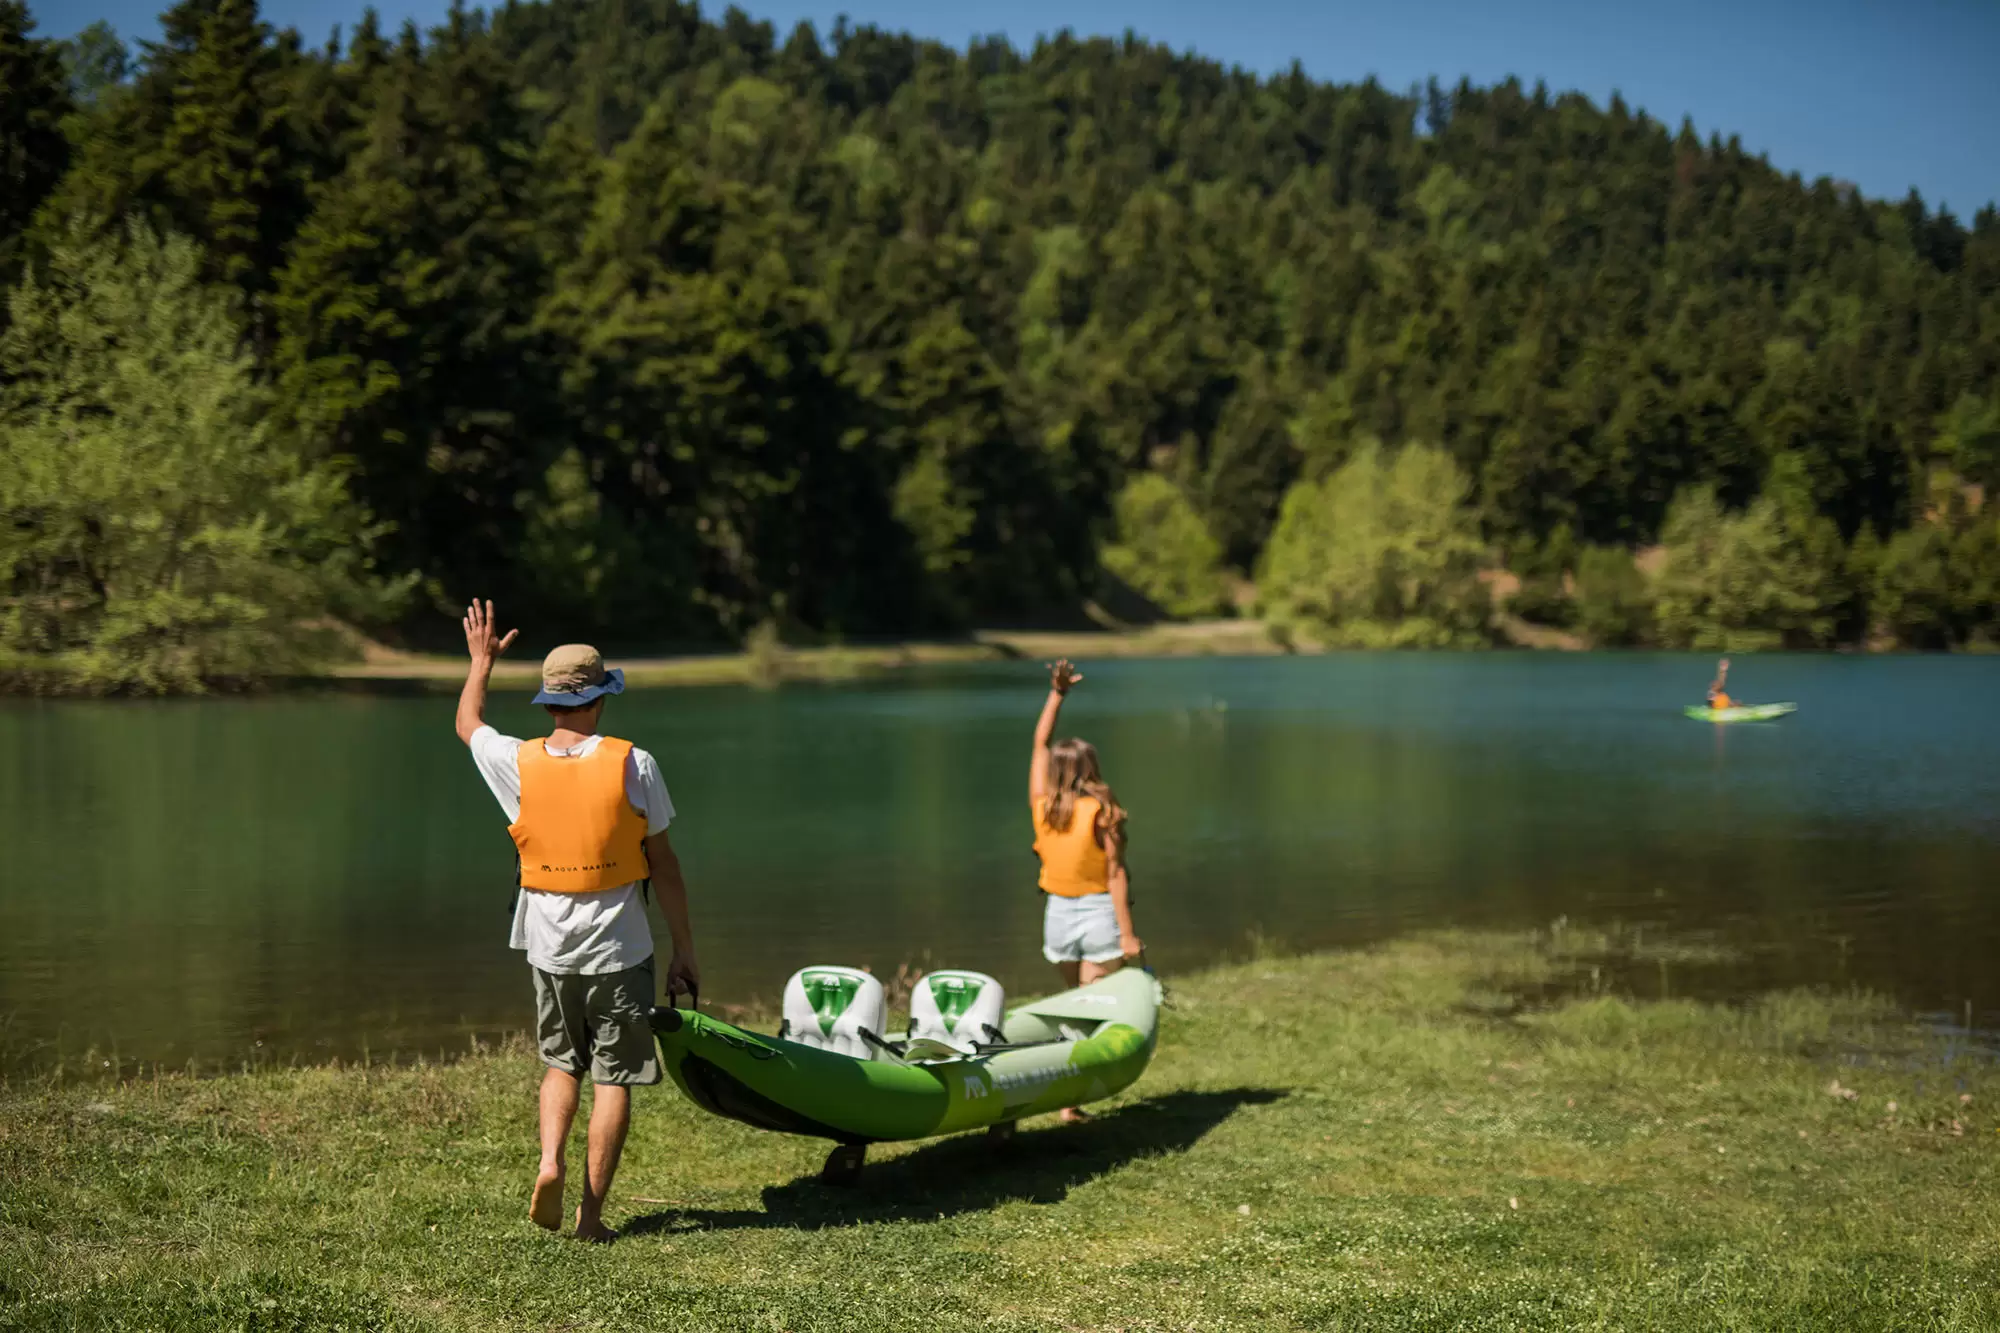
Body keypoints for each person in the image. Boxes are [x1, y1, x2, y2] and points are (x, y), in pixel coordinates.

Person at [454, 600, 698, 1243]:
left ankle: (548, 1161)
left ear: (549, 701)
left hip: (547, 944)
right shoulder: (634, 763)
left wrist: (481, 663)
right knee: (615, 1077)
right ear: (600, 699)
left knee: (562, 1063)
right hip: (621, 946)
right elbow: (664, 867)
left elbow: (467, 722)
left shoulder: (515, 760)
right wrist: (684, 949)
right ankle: (591, 1219)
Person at [1027, 658, 1143, 1123]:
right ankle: (1068, 1101)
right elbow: (1117, 875)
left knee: (1078, 1008)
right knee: (1089, 1009)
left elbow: (1038, 743)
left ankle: (1068, 1101)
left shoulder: (1043, 805)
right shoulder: (1104, 810)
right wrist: (1128, 934)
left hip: (1058, 913)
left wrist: (1057, 695)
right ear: (1091, 768)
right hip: (1094, 914)